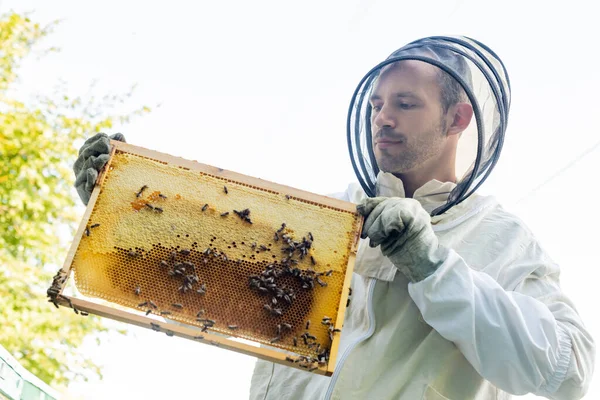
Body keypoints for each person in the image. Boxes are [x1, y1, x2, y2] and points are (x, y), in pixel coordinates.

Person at [74, 36, 595, 399]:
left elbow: (569, 372)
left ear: (458, 119)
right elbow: (207, 279)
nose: (383, 118)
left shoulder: (502, 239)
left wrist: (433, 266)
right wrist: (120, 213)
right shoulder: (325, 218)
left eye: (405, 104)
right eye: (376, 105)